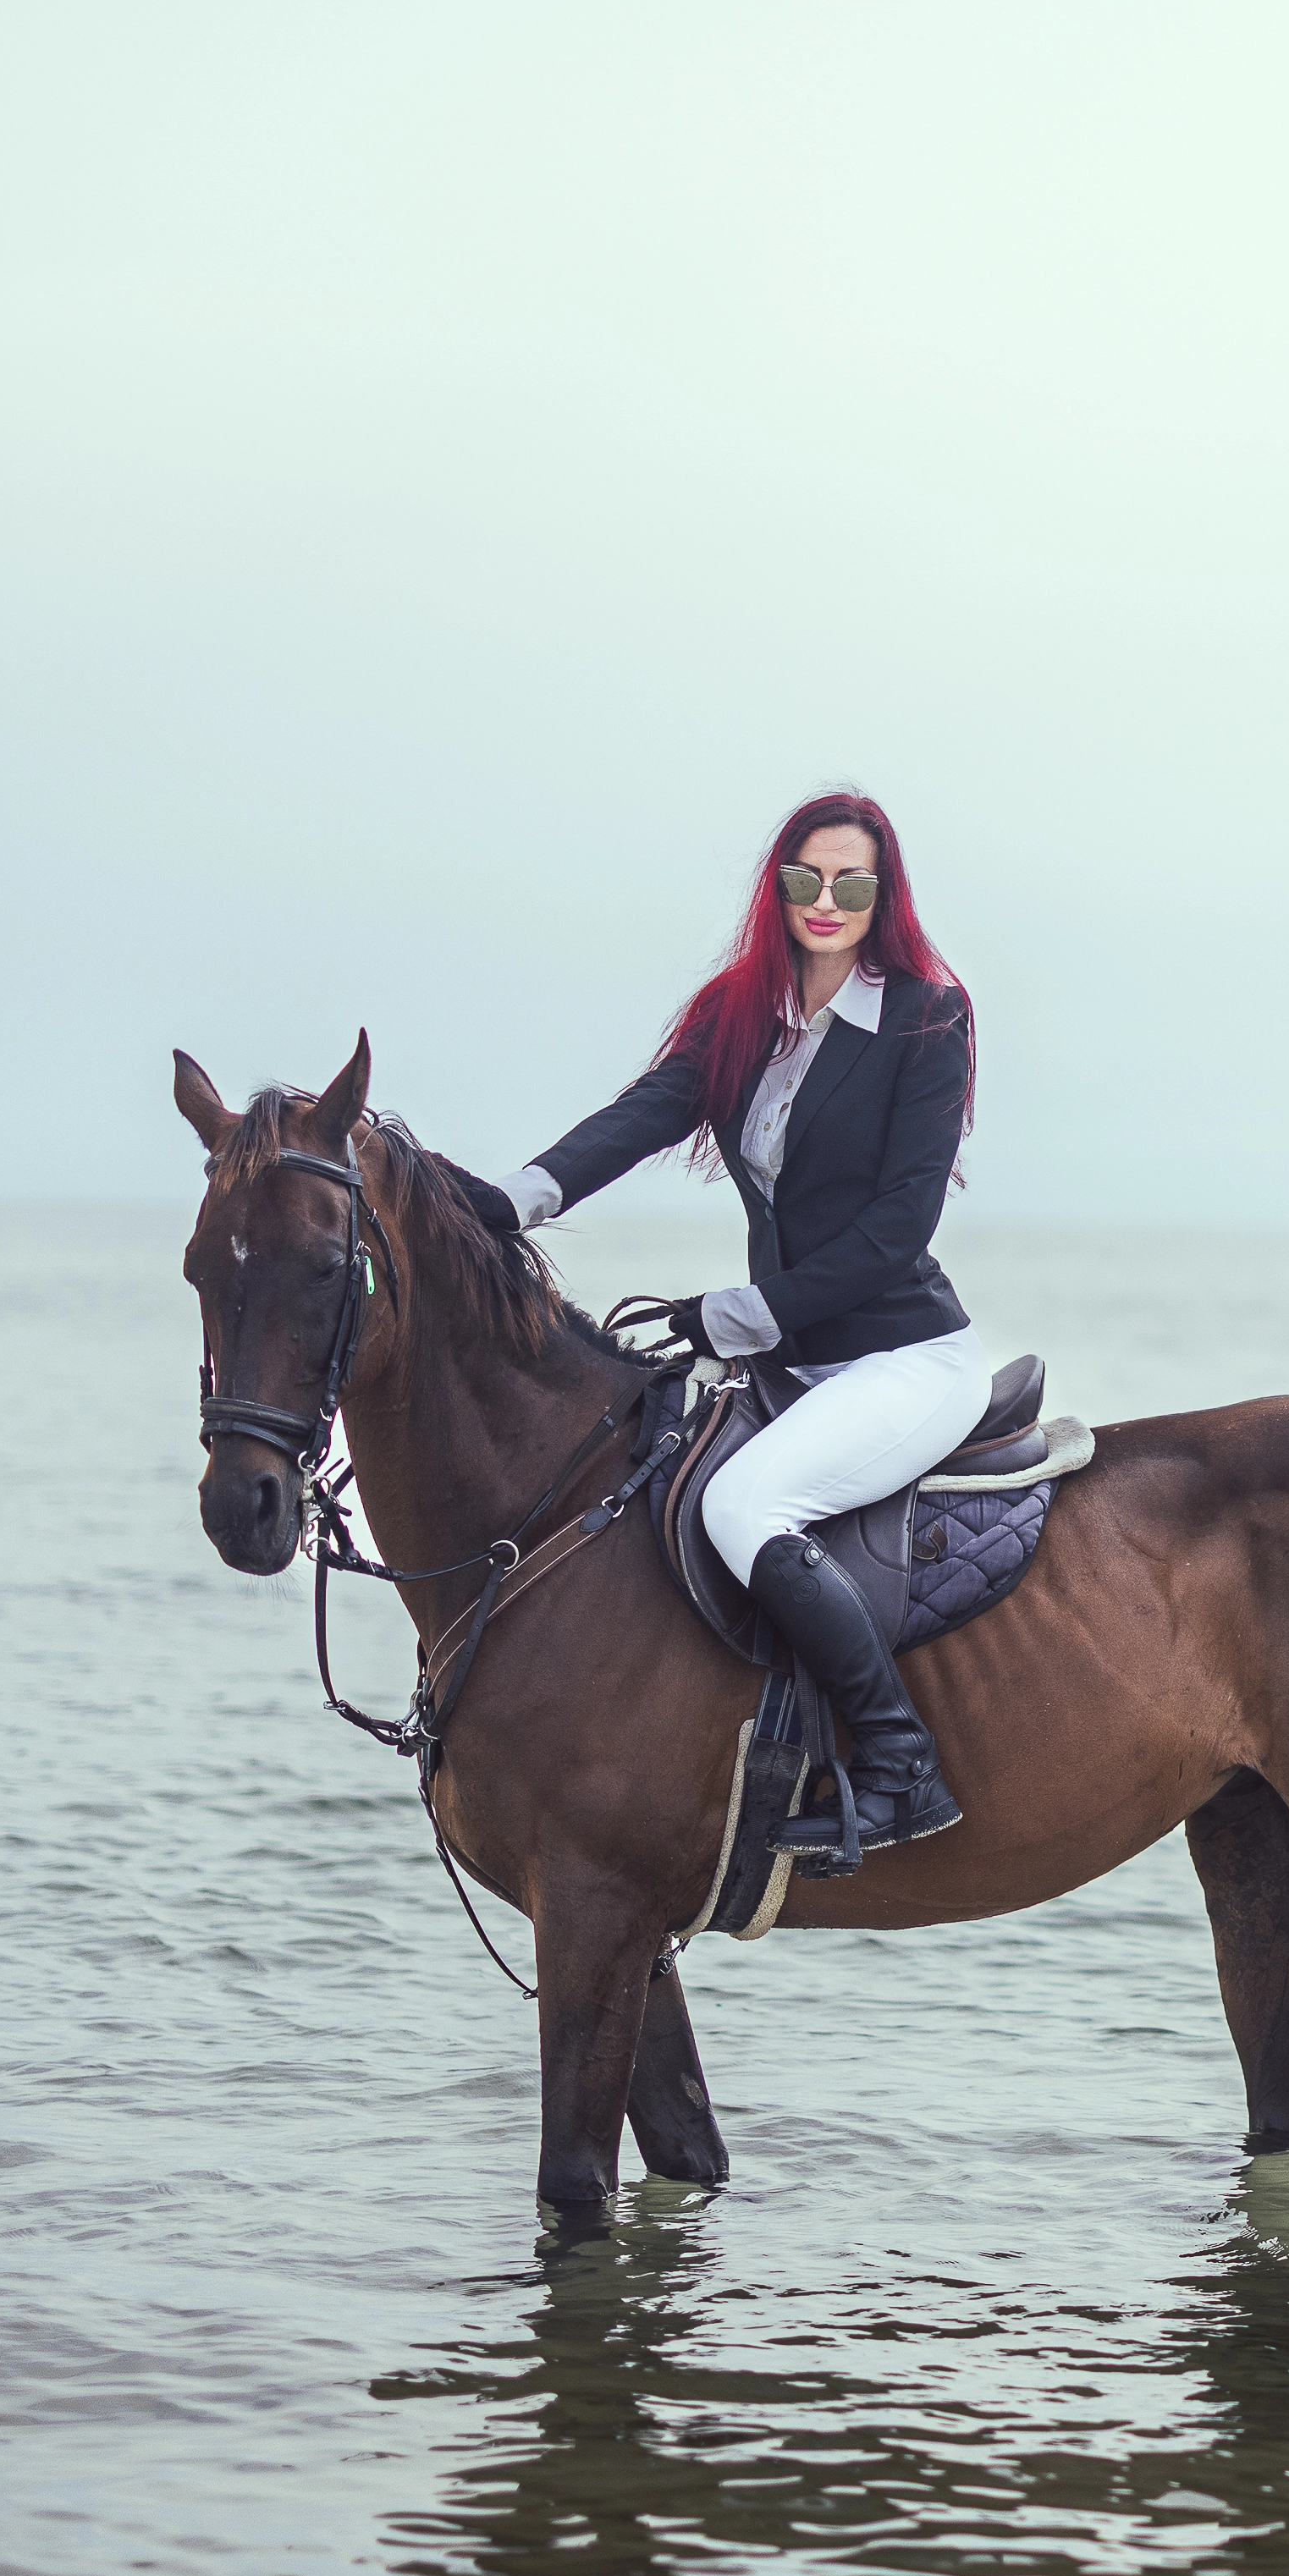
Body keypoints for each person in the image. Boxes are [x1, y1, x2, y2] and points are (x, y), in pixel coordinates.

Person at [449, 789, 983, 1856]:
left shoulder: (928, 1014)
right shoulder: (736, 1010)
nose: (825, 902)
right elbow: (641, 1118)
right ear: (777, 887)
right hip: (793, 1364)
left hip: (903, 1360)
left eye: (852, 883)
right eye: (804, 879)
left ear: (886, 895)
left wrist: (729, 1315)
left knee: (743, 1506)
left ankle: (899, 1767)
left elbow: (894, 1232)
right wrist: (504, 1204)